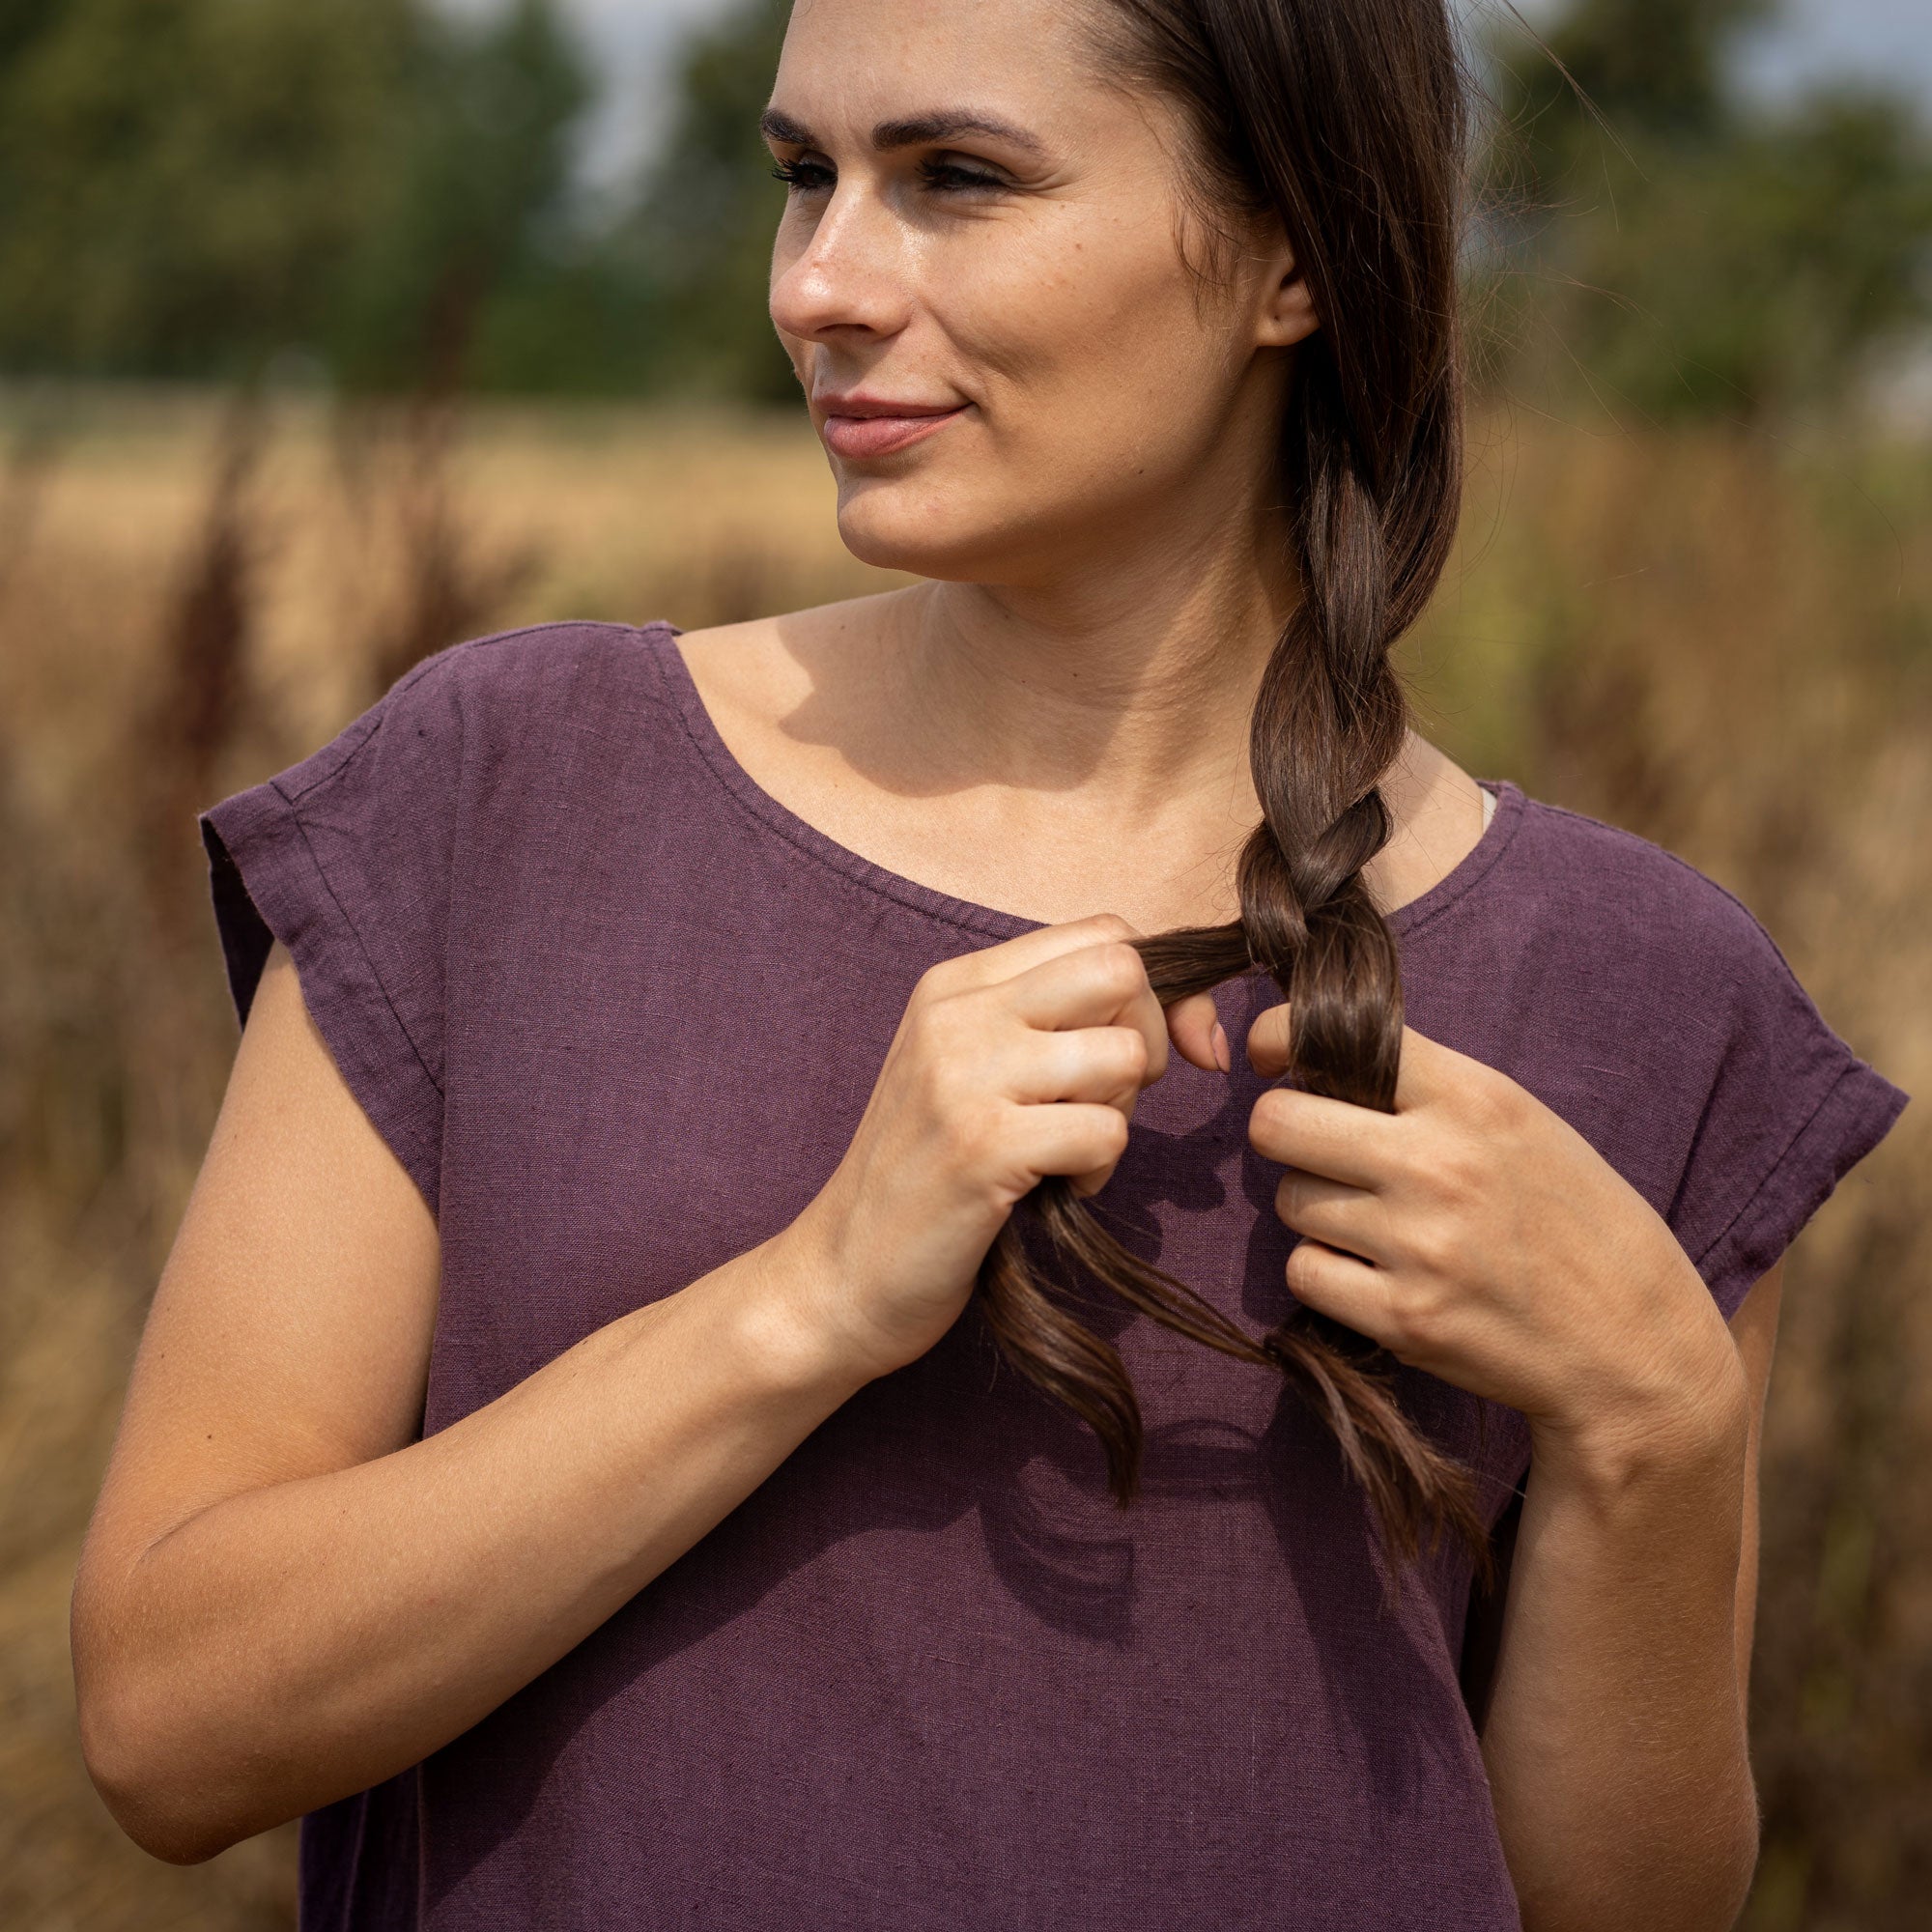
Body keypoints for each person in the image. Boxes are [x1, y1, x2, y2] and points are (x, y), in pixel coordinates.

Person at [71, 1, 1908, 1927]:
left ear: (1292, 252)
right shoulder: (500, 791)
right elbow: (173, 1722)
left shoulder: (1644, 991)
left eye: (955, 177)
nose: (820, 284)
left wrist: (1653, 1428)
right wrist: (808, 1303)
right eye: (803, 177)